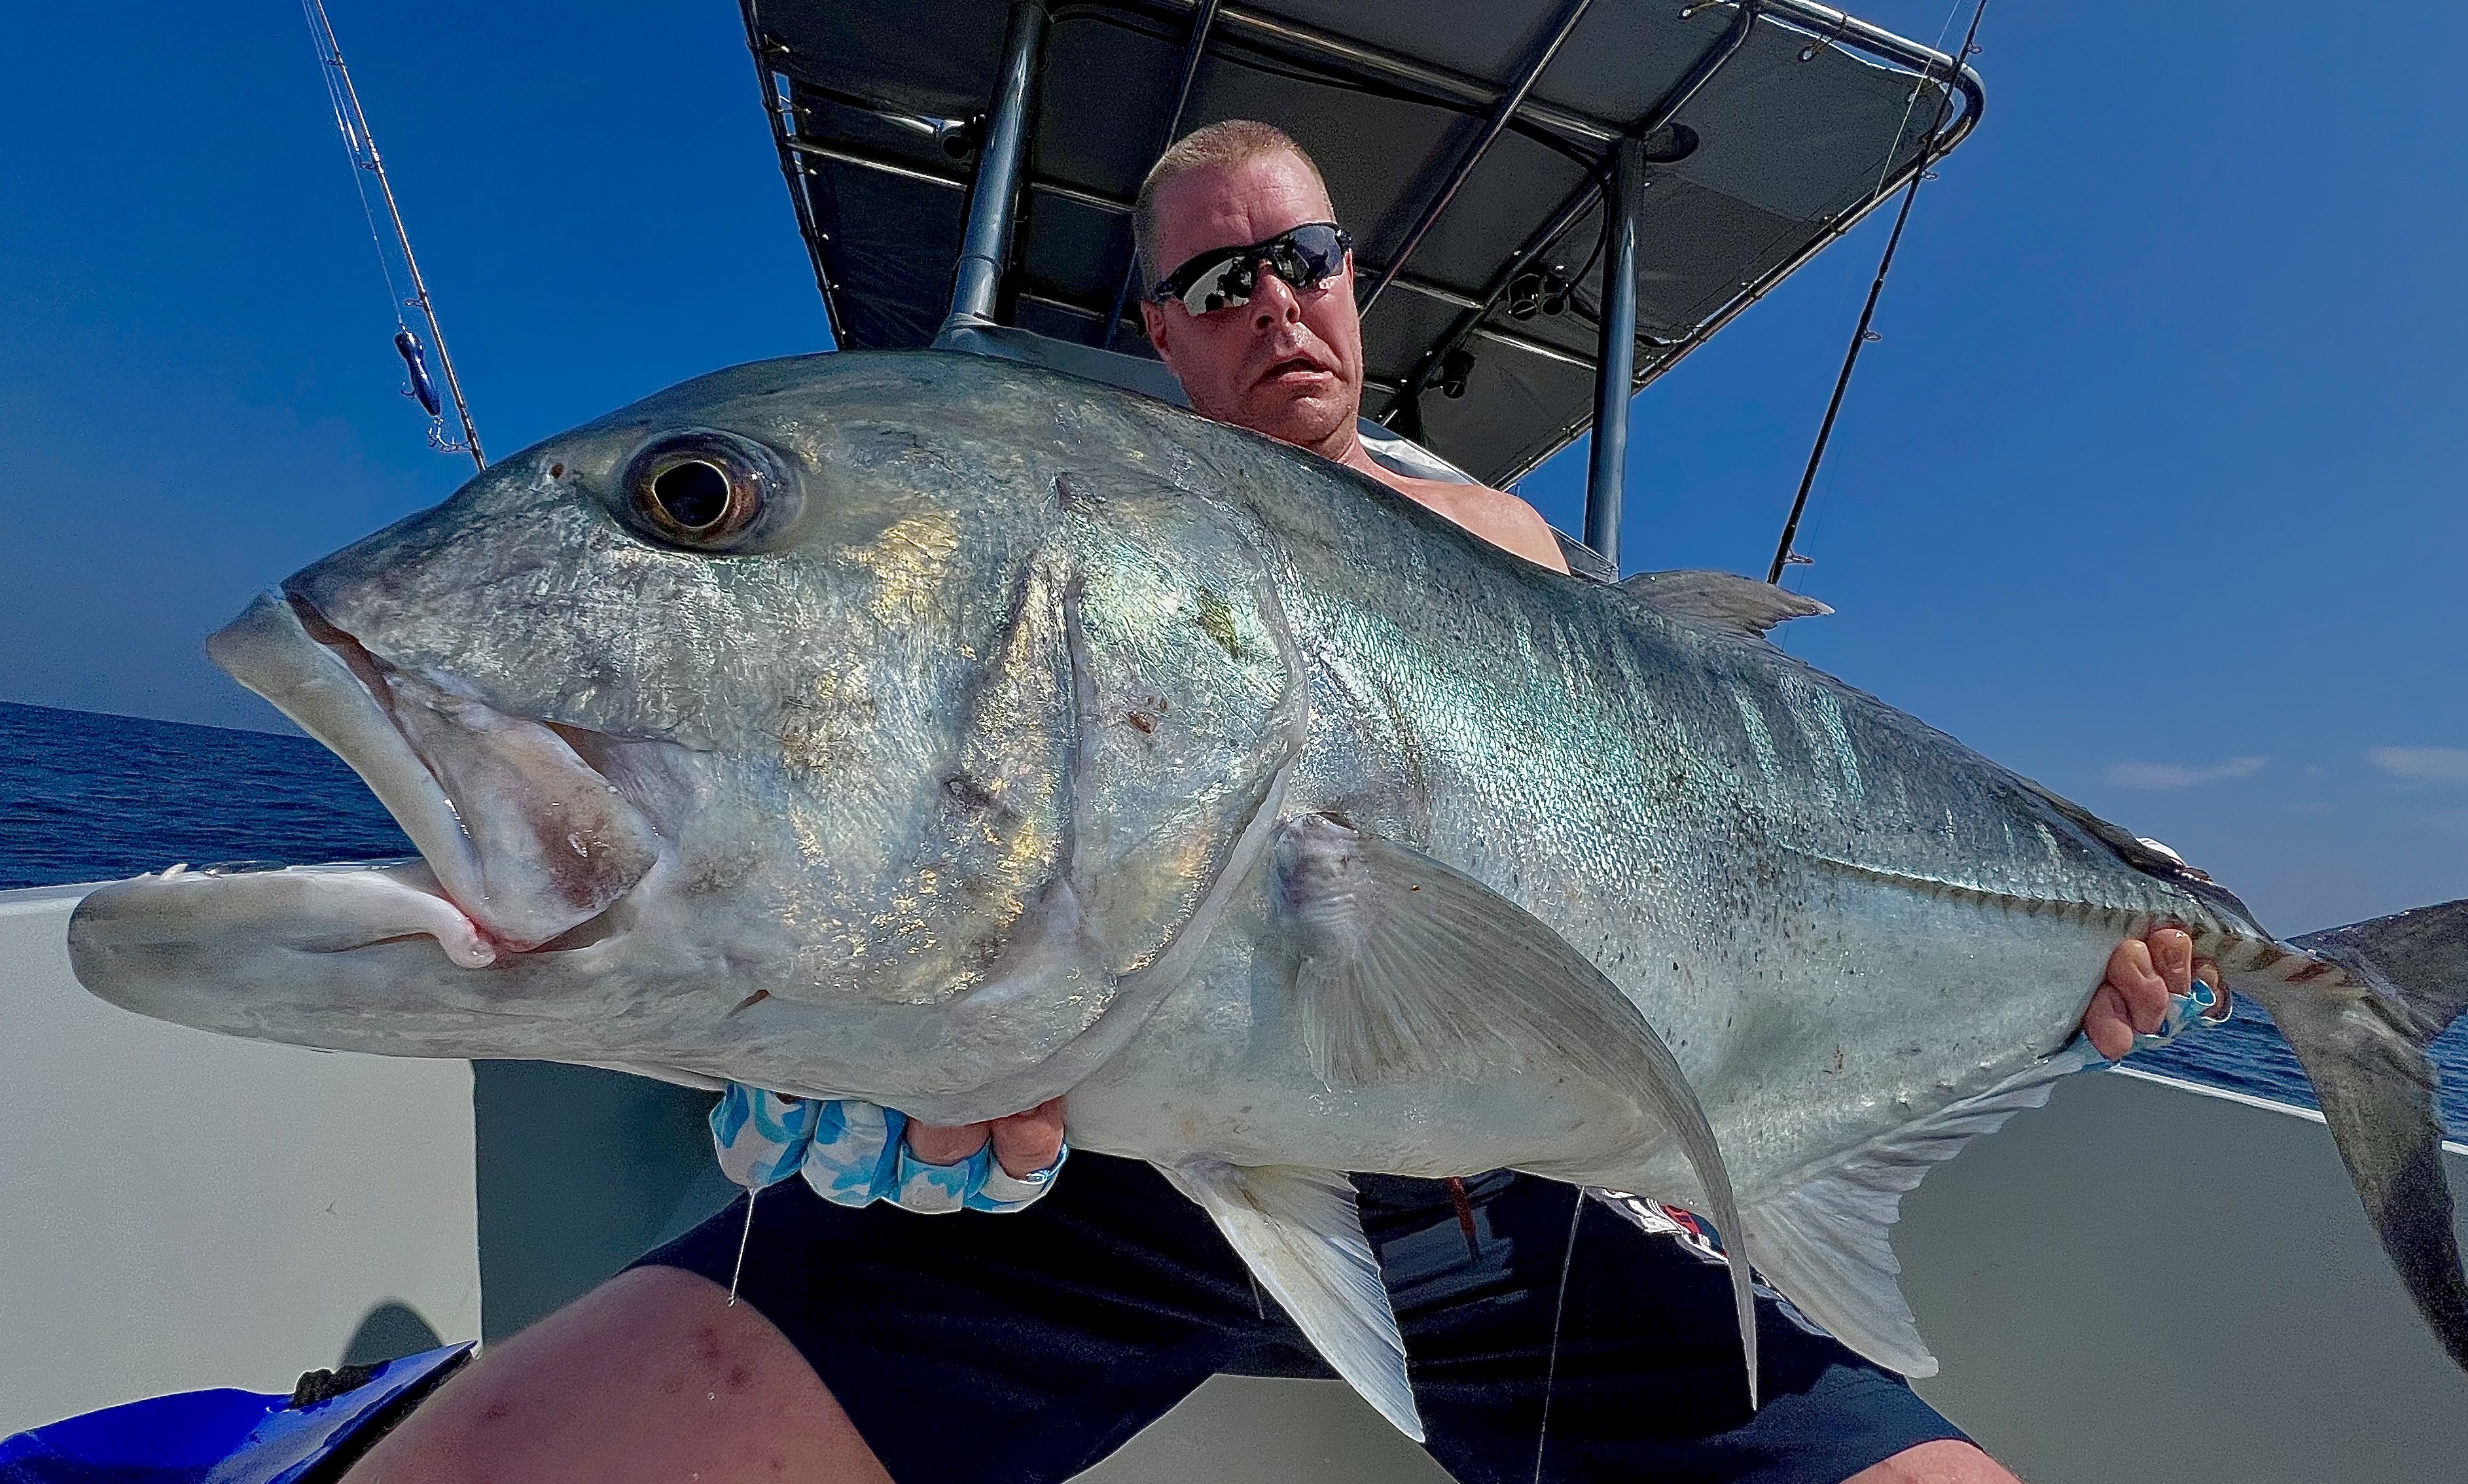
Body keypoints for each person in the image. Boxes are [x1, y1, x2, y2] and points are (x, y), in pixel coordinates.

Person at [348, 121, 2220, 1484]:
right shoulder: (1069, 517)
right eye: (1215, 279)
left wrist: (2080, 965)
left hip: (1525, 1208)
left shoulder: (1517, 552)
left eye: (1305, 256)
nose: (1275, 302)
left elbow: (1713, 850)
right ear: (1159, 332)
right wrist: (815, 993)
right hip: (1086, 1179)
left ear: (1356, 281)